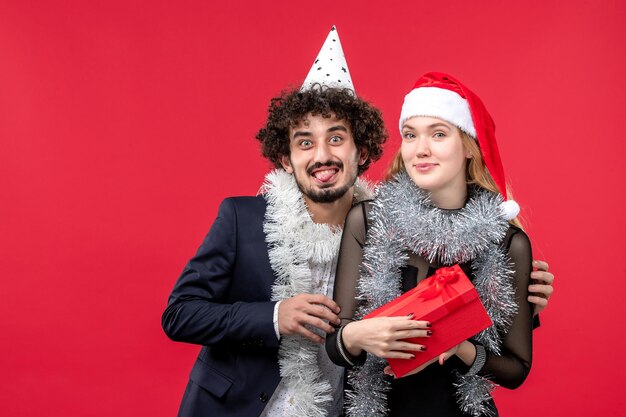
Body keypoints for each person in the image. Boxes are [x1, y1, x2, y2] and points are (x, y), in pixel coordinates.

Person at [162, 28, 555, 417]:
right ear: (285, 158)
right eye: (304, 142)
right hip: (244, 407)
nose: (321, 156)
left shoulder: (385, 223)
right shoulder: (243, 219)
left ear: (361, 151)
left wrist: (520, 299)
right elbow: (179, 314)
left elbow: (456, 317)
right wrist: (274, 316)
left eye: (336, 139)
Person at [326, 72, 545, 417]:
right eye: (410, 135)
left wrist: (458, 345)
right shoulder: (368, 220)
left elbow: (516, 369)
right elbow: (336, 344)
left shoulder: (506, 241)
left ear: (469, 147)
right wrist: (357, 335)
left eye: (439, 134)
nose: (420, 149)